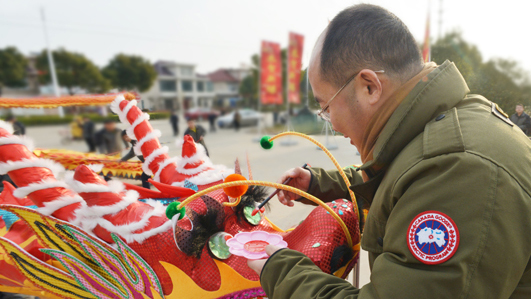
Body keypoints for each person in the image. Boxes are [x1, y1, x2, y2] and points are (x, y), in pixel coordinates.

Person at [247, 4, 531, 298]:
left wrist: (280, 270)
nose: (331, 123)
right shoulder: (448, 127)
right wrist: (319, 183)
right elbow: (401, 173)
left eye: (326, 108)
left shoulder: (458, 169)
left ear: (369, 87)